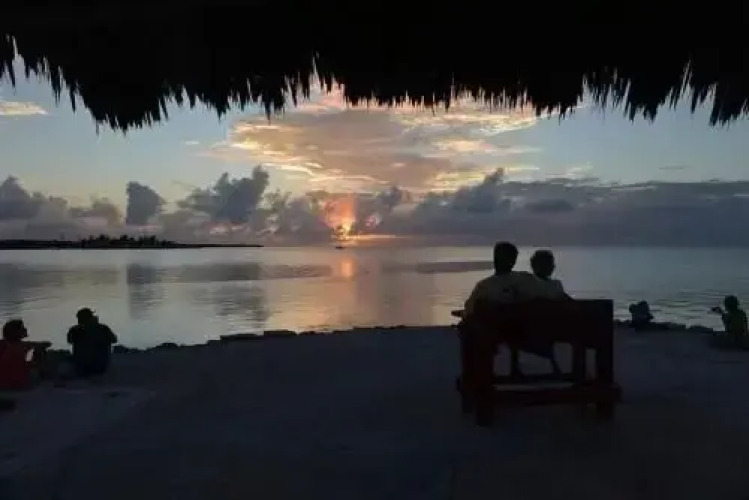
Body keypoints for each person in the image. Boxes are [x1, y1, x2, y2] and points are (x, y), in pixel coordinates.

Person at [462, 241, 536, 318]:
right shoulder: (527, 279)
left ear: (495, 259)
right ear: (514, 260)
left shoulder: (484, 286)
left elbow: (469, 311)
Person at [0, 319, 51, 390]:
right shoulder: (24, 348)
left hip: (4, 382)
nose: (25, 329)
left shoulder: (6, 344)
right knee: (39, 352)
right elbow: (47, 344)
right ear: (17, 332)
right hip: (17, 383)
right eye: (22, 328)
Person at [67, 308, 118, 378]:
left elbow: (69, 340)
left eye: (79, 318)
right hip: (101, 366)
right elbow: (114, 340)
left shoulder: (75, 330)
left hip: (84, 366)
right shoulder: (103, 328)